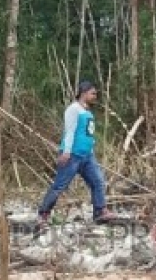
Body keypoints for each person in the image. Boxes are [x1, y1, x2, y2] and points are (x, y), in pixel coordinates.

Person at [37, 80, 116, 227]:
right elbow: (70, 131)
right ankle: (43, 214)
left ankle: (100, 212)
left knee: (98, 181)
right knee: (60, 185)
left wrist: (91, 151)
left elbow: (87, 134)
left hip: (87, 156)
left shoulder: (87, 112)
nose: (95, 96)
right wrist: (66, 152)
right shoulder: (73, 109)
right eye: (92, 93)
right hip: (72, 155)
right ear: (84, 93)